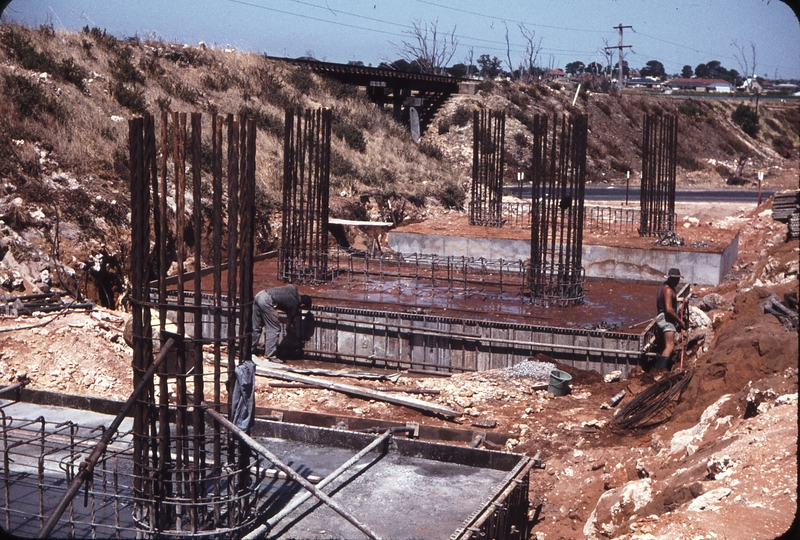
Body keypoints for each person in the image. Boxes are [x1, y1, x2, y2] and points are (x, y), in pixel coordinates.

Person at [252, 284, 312, 361]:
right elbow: (288, 328)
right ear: (302, 304)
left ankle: (250, 350)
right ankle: (270, 356)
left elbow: (290, 287)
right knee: (274, 328)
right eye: (302, 307)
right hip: (266, 301)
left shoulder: (293, 289)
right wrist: (295, 339)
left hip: (259, 295)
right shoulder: (294, 305)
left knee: (256, 326)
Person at [654, 268, 685, 371]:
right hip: (665, 319)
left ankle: (660, 366)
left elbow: (669, 299)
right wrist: (679, 321)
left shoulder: (665, 287)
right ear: (672, 279)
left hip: (663, 317)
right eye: (676, 279)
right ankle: (660, 369)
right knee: (670, 346)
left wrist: (679, 300)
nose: (677, 282)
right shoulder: (668, 289)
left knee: (667, 345)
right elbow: (669, 309)